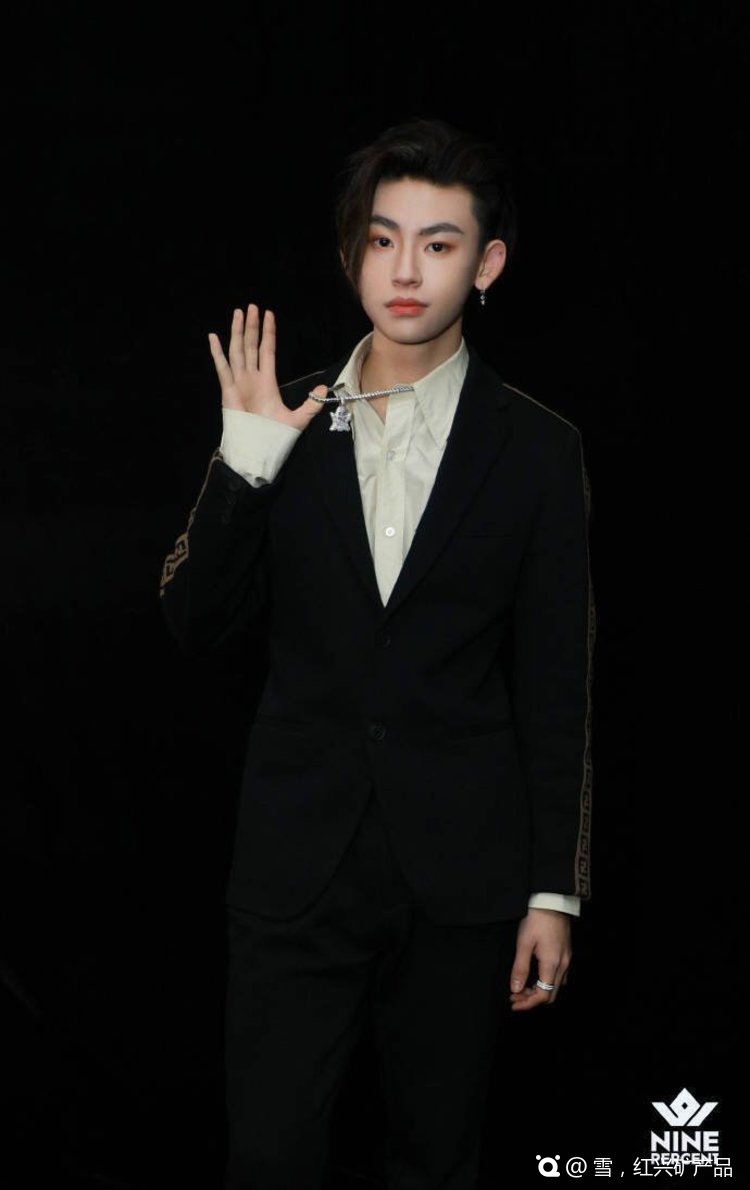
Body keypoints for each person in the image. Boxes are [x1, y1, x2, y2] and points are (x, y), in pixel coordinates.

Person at [159, 116, 595, 1190]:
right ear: (353, 251)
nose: (405, 270)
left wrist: (554, 891)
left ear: (486, 264)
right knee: (267, 1155)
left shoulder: (539, 448)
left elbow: (559, 681)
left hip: (462, 872)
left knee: (437, 1160)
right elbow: (192, 623)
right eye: (383, 239)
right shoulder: (286, 416)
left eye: (439, 244)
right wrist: (245, 460)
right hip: (296, 861)